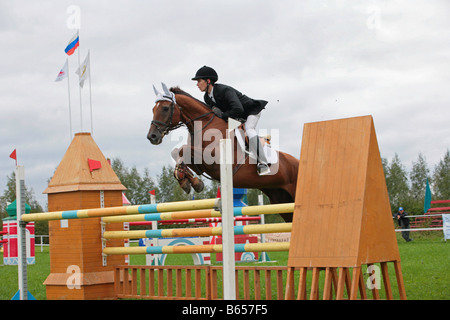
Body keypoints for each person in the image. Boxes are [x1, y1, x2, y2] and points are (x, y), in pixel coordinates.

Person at [192, 66, 270, 175]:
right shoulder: (207, 97)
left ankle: (263, 163)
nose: (197, 84)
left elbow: (238, 108)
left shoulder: (224, 90)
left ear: (208, 81)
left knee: (249, 129)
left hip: (250, 111)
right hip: (237, 116)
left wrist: (223, 115)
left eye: (199, 81)